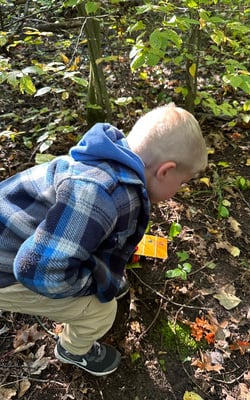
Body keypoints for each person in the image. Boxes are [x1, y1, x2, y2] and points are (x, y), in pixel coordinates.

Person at [0, 103, 208, 377]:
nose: (180, 190)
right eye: (183, 182)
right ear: (165, 171)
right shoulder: (101, 194)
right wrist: (92, 285)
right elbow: (36, 269)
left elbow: (86, 231)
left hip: (24, 239)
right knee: (101, 312)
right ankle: (73, 350)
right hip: (11, 268)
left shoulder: (111, 162)